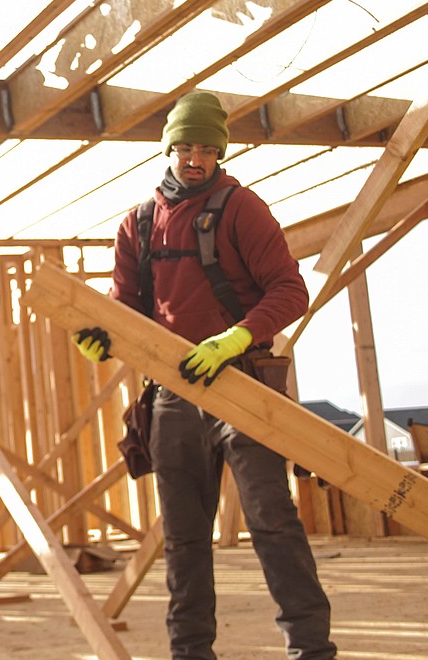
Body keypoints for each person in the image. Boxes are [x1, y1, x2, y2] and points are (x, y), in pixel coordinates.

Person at [72, 92, 335, 659]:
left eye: (208, 149)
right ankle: (190, 653)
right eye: (186, 146)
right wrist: (102, 341)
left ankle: (312, 651)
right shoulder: (137, 224)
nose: (196, 158)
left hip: (240, 384)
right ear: (168, 148)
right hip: (173, 391)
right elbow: (127, 311)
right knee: (185, 537)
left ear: (219, 153)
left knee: (272, 521)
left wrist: (237, 336)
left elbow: (291, 290)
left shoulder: (242, 209)